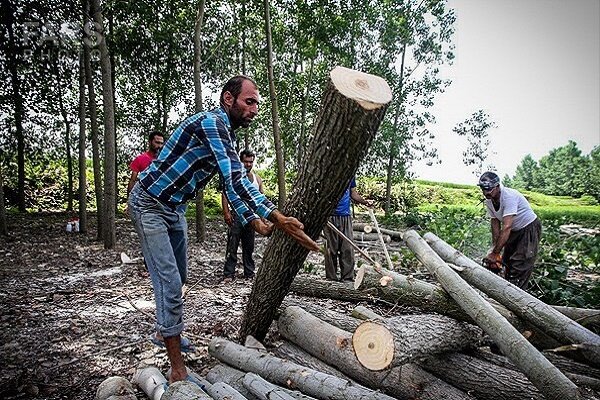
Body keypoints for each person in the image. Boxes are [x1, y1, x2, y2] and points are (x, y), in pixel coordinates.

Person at [128, 75, 319, 386]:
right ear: (228, 99)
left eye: (257, 102)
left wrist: (256, 222)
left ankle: (165, 328)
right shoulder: (212, 123)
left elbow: (229, 189)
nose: (255, 108)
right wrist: (276, 215)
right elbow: (236, 179)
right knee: (169, 282)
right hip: (149, 203)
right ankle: (177, 369)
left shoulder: (225, 138)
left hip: (174, 209)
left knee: (180, 280)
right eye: (249, 101)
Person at [479, 171, 542, 289]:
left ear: (497, 186)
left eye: (489, 190)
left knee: (520, 263)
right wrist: (494, 249)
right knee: (506, 261)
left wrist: (495, 253)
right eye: (483, 190)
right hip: (514, 229)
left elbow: (506, 226)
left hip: (528, 228)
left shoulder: (509, 197)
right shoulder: (489, 200)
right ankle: (505, 290)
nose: (486, 193)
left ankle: (517, 297)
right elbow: (495, 223)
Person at [222, 149, 264, 282]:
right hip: (236, 214)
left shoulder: (257, 179)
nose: (248, 164)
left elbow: (261, 197)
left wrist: (263, 218)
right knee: (232, 244)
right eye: (245, 161)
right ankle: (229, 273)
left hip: (251, 216)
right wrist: (226, 212)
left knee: (249, 245)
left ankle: (249, 272)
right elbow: (225, 193)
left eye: (250, 162)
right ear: (241, 161)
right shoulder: (234, 176)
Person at [323, 177, 371, 281]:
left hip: (345, 216)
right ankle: (331, 278)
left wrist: (365, 202)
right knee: (331, 249)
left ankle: (347, 277)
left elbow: (353, 193)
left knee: (347, 248)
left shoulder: (350, 175)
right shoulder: (328, 172)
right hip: (329, 216)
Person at [127, 131, 165, 197]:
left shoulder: (165, 160)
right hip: (144, 197)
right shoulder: (140, 159)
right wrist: (129, 199)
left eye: (161, 143)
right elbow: (132, 180)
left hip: (162, 198)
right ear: (150, 142)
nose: (159, 146)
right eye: (157, 142)